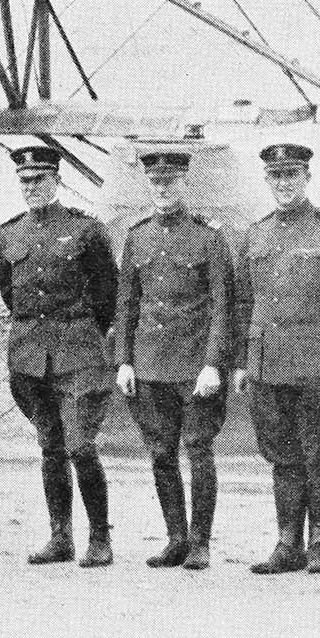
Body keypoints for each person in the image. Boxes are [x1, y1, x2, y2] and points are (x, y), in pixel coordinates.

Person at [233, 142, 320, 574]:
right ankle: (288, 543)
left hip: (316, 365)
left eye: (292, 176)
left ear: (307, 178)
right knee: (282, 456)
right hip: (268, 364)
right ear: (267, 180)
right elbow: (244, 303)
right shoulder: (256, 234)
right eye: (276, 177)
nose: (284, 184)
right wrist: (243, 363)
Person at [0, 144, 120, 566]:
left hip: (79, 355)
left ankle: (99, 539)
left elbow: (108, 297)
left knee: (80, 445)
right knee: (49, 447)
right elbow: (12, 295)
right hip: (31, 358)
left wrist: (82, 334)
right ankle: (60, 536)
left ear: (57, 180)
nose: (31, 188)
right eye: (25, 181)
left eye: (39, 180)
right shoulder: (10, 233)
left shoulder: (87, 230)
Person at [113, 146, 233, 569]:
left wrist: (213, 364)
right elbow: (127, 304)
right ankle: (176, 538)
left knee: (198, 449)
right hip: (149, 365)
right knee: (161, 453)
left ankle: (200, 542)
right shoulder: (138, 236)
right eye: (156, 183)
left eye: (171, 182)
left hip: (194, 367)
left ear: (184, 182)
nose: (163, 189)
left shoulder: (209, 236)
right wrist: (124, 360)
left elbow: (223, 307)